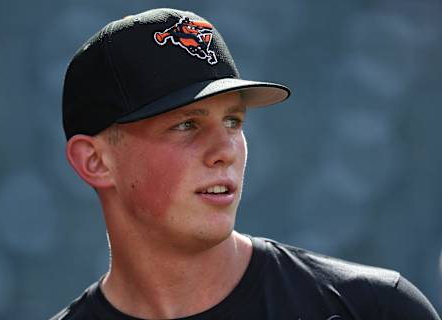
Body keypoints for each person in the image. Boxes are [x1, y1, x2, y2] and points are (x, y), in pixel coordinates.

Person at [50, 8, 440, 320]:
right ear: (96, 161)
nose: (227, 149)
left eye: (233, 121)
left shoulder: (374, 309)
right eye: (187, 124)